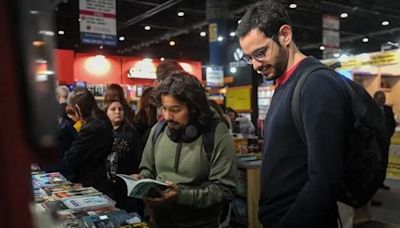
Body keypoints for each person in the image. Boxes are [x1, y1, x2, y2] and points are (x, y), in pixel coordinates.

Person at [238, 1, 352, 227]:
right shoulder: (286, 83)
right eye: (249, 57)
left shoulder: (316, 84)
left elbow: (323, 181)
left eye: (260, 53)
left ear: (285, 35)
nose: (255, 66)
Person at [132, 72, 237, 228]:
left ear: (194, 108)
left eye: (175, 109)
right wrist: (142, 180)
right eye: (164, 108)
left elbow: (224, 190)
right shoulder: (158, 130)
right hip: (158, 222)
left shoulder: (216, 133)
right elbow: (148, 169)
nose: (167, 116)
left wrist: (182, 196)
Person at [63, 87, 113, 194]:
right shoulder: (102, 119)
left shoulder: (91, 127)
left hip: (91, 183)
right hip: (102, 179)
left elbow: (71, 157)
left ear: (77, 108)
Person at [104, 100, 144, 213]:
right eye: (113, 109)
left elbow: (140, 156)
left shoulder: (132, 133)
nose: (117, 112)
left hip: (127, 185)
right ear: (106, 112)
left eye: (120, 109)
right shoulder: (102, 133)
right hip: (107, 186)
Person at [374, 91, 396, 189]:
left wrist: (388, 136)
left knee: (384, 162)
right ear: (375, 99)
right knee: (374, 163)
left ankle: (380, 182)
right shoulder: (370, 109)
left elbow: (392, 124)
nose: (383, 100)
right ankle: (373, 184)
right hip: (374, 142)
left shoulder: (388, 109)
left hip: (385, 141)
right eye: (380, 98)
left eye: (383, 98)